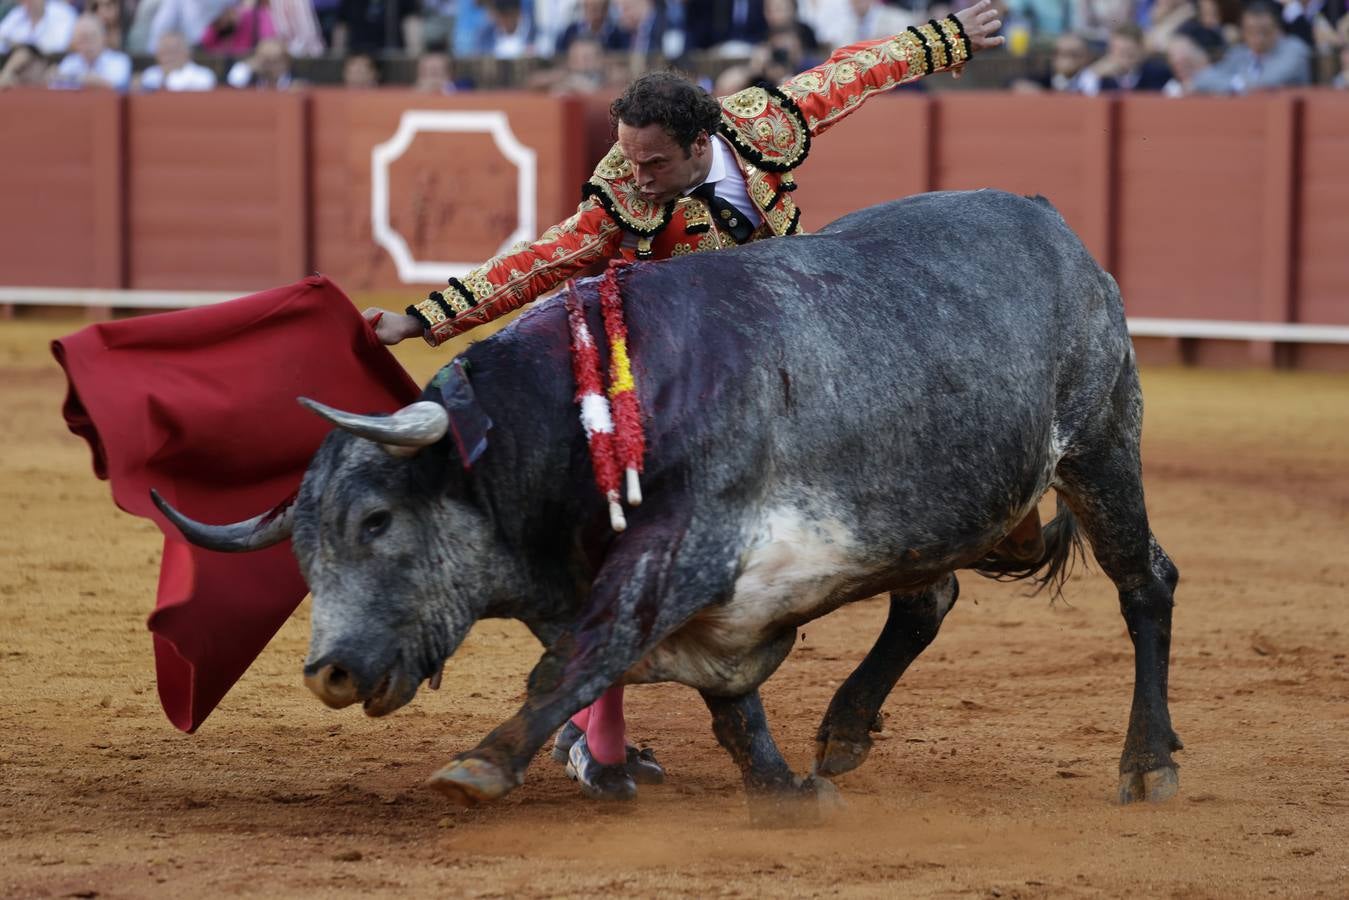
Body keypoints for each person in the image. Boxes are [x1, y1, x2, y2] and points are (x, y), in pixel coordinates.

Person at [362, 0, 1006, 802]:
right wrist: (422, 319)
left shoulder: (761, 124)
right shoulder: (618, 194)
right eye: (626, 158)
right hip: (677, 372)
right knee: (635, 530)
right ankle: (595, 731)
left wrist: (945, 39)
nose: (633, 174)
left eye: (652, 163)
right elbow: (535, 263)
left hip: (791, 336)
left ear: (702, 143)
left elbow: (854, 73)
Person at [1190, 0, 1310, 92]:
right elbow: (1203, 78)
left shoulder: (1294, 49)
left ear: (1277, 30)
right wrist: (1236, 84)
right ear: (1243, 32)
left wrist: (1235, 84)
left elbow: (1266, 83)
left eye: (1264, 31)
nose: (1258, 38)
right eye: (1251, 32)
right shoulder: (1240, 52)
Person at [49, 12, 131, 90]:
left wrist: (72, 78)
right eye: (83, 39)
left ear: (103, 38)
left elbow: (111, 86)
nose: (88, 44)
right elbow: (55, 87)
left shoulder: (119, 61)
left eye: (92, 37)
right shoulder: (70, 62)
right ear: (75, 43)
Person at [137, 28, 218, 90]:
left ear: (187, 53)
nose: (167, 56)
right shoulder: (150, 74)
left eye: (172, 50)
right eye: (163, 51)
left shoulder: (203, 76)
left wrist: (168, 76)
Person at [0, 0, 78, 55]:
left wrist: (18, 45)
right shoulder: (17, 14)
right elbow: (2, 39)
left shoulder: (63, 12)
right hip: (16, 63)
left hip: (51, 64)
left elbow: (59, 46)